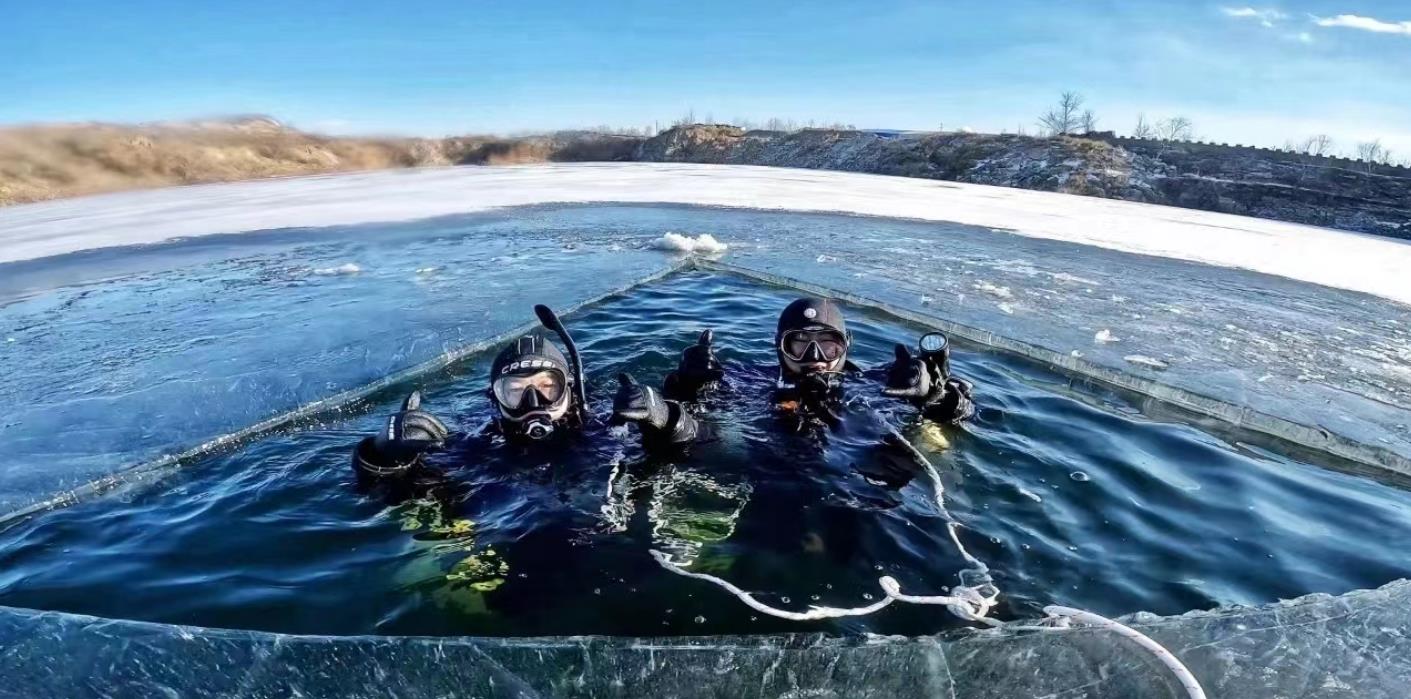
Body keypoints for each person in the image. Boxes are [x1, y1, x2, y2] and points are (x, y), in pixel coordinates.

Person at [353, 305, 703, 479]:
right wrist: (385, 455)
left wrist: (668, 417)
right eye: (516, 391)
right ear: (495, 399)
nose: (533, 403)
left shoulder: (606, 425)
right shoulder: (481, 442)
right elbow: (401, 493)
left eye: (546, 387)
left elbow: (703, 453)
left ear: (570, 389)